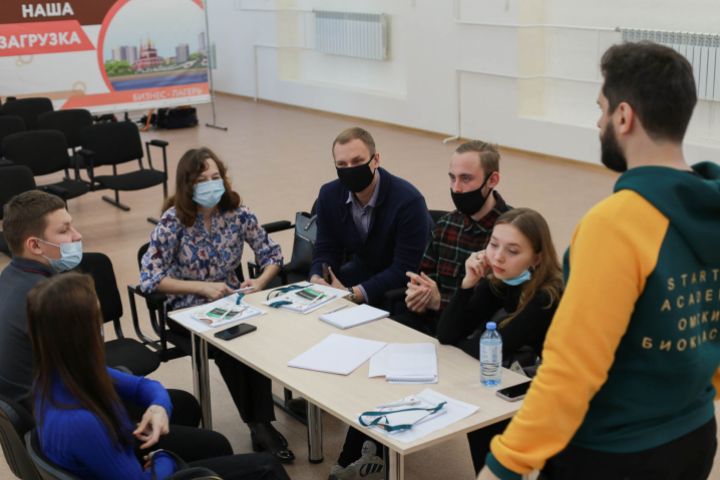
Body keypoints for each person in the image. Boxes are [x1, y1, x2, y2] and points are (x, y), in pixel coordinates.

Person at [479, 42, 720, 480]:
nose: (598, 122)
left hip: (614, 453)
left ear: (624, 116)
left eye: (601, 108)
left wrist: (506, 463)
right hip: (695, 437)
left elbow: (572, 368)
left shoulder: (614, 224)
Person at [0, 189, 231, 462]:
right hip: (74, 426)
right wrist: (149, 398)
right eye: (64, 230)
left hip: (51, 414)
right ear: (35, 245)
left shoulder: (11, 278)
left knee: (184, 405)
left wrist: (150, 393)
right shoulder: (49, 304)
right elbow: (91, 375)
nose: (77, 235)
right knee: (216, 444)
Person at [27, 273, 290, 480]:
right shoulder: (81, 423)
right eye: (97, 320)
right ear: (82, 334)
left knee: (215, 443)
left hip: (124, 454)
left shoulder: (57, 375)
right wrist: (165, 457)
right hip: (138, 468)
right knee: (266, 467)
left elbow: (144, 386)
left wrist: (158, 407)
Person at [140, 147, 294, 463]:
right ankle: (259, 425)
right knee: (230, 344)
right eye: (202, 180)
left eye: (215, 177)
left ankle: (261, 421)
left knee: (254, 336)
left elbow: (272, 254)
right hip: (186, 309)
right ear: (188, 185)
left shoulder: (238, 214)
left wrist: (259, 282)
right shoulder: (173, 221)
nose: (211, 185)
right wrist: (201, 287)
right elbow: (150, 279)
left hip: (231, 302)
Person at [436, 208, 563, 472]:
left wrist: (465, 341)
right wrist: (468, 283)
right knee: (480, 403)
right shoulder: (503, 281)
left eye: (512, 251)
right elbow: (446, 334)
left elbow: (487, 351)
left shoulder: (546, 296)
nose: (498, 257)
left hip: (562, 391)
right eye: (493, 245)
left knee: (483, 407)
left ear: (537, 258)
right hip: (527, 375)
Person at [309, 127, 431, 307]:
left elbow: (404, 269)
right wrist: (318, 277)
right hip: (361, 274)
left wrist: (352, 294)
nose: (350, 169)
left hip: (405, 291)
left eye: (357, 161)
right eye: (342, 164)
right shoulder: (329, 195)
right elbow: (326, 249)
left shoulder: (409, 202)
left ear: (376, 160)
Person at [400, 140, 511, 335]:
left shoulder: (511, 234)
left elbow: (496, 309)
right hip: (430, 326)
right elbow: (425, 277)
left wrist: (439, 302)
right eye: (452, 178)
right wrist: (419, 296)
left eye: (466, 179)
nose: (456, 188)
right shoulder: (446, 225)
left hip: (476, 336)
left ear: (492, 180)